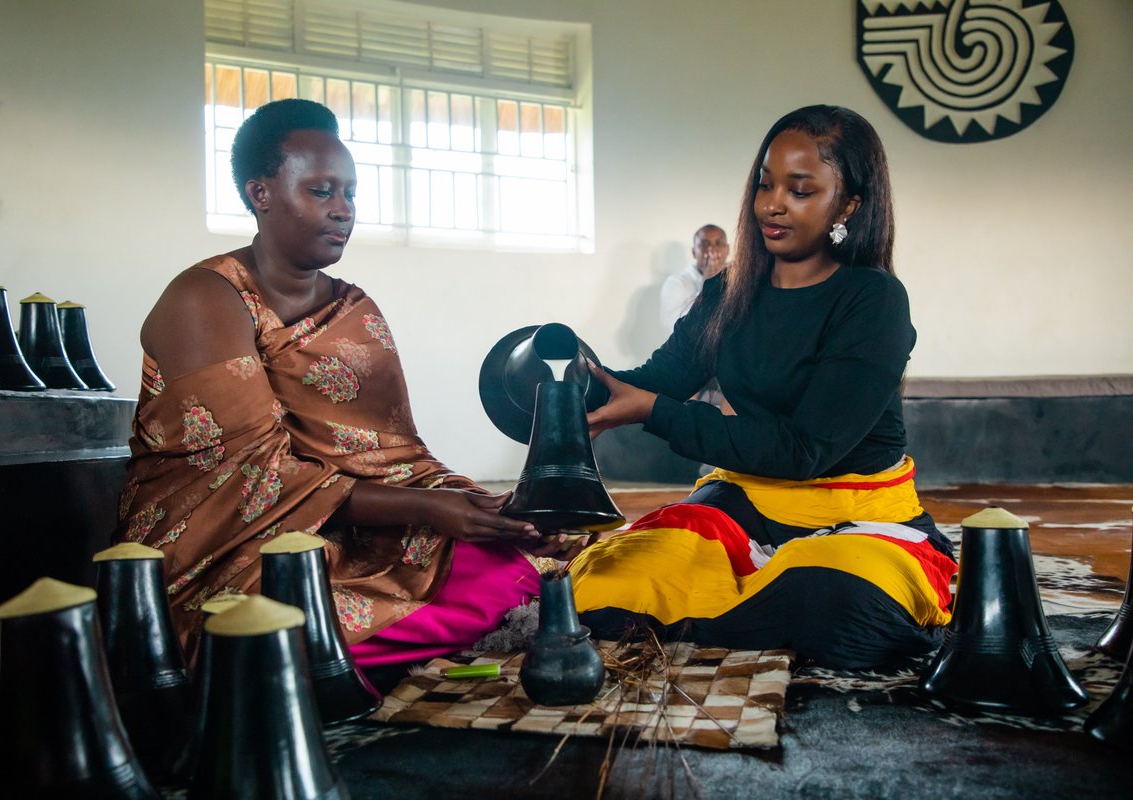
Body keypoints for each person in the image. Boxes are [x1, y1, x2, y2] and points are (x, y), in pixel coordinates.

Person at [115, 98, 572, 668]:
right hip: (228, 544)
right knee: (278, 629)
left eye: (350, 193)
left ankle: (378, 652)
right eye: (322, 191)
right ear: (261, 194)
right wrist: (433, 511)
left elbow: (396, 455)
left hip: (344, 526)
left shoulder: (352, 307)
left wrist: (487, 508)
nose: (343, 210)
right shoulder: (205, 299)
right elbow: (254, 480)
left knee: (507, 562)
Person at [573, 105, 957, 669]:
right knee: (604, 582)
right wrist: (572, 386)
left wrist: (654, 412)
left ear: (848, 204)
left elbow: (803, 451)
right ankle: (756, 602)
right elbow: (662, 377)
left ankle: (748, 598)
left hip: (853, 509)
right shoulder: (729, 289)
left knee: (836, 604)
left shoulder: (873, 301)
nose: (772, 204)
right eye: (765, 184)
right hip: (745, 499)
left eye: (800, 190)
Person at [658, 224, 729, 336]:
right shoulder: (676, 283)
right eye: (704, 245)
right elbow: (673, 330)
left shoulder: (738, 279)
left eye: (718, 243)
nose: (712, 250)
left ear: (727, 249)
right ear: (694, 252)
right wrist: (709, 284)